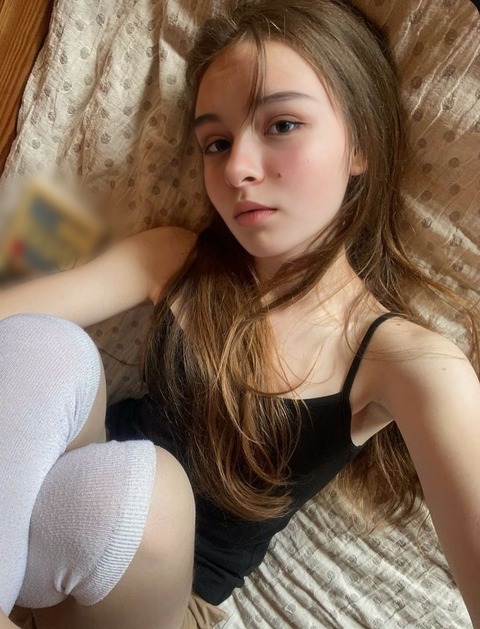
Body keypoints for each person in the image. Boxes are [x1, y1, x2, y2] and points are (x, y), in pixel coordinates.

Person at [1, 0, 479, 628]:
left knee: (150, 493)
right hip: (37, 528)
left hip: (158, 600)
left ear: (361, 143)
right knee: (49, 347)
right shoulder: (176, 259)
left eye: (282, 124)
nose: (235, 169)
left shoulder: (409, 364)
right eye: (216, 143)